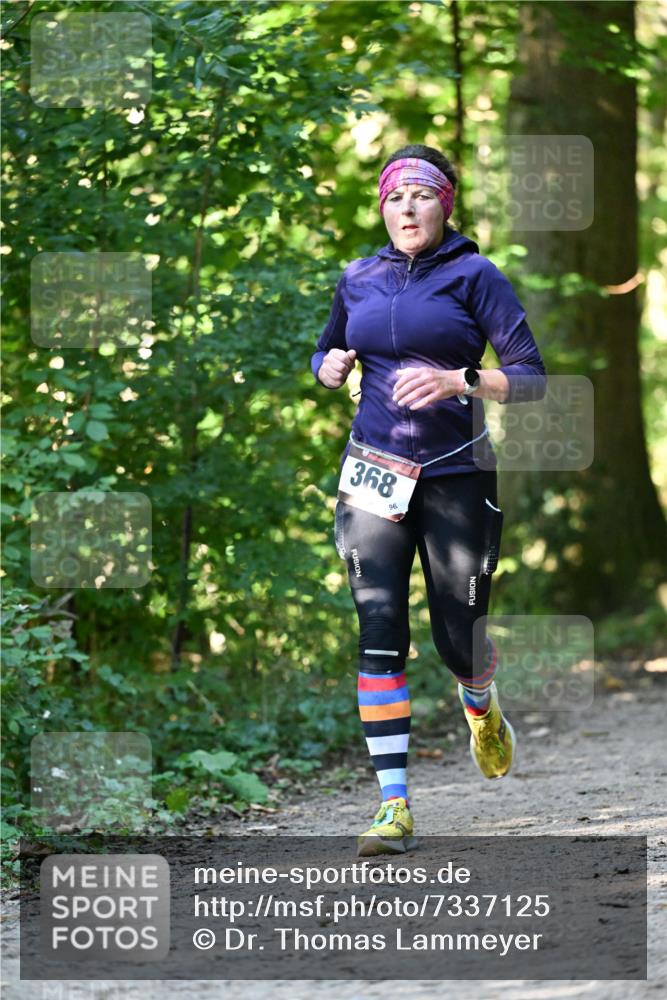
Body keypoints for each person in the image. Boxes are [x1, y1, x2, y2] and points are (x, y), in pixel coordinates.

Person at [310, 144, 547, 857]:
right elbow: (325, 353)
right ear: (382, 208)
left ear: (444, 205)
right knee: (379, 628)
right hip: (373, 473)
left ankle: (478, 699)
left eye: (420, 195)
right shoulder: (357, 277)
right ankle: (394, 806)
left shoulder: (475, 275)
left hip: (455, 473)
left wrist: (460, 380)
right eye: (394, 197)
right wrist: (328, 367)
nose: (406, 208)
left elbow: (531, 376)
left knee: (457, 637)